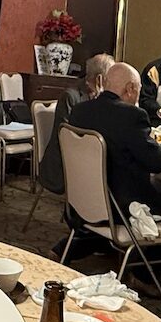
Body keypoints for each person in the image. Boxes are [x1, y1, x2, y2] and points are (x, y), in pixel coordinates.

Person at [66, 63, 161, 241]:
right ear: (130, 88)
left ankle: (85, 244)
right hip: (122, 206)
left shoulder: (80, 111)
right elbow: (156, 161)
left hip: (81, 201)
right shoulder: (132, 115)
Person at [41, 54, 115, 260]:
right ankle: (90, 232)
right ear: (100, 78)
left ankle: (96, 235)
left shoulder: (104, 97)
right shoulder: (71, 96)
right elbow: (71, 137)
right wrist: (100, 105)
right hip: (65, 162)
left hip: (90, 161)